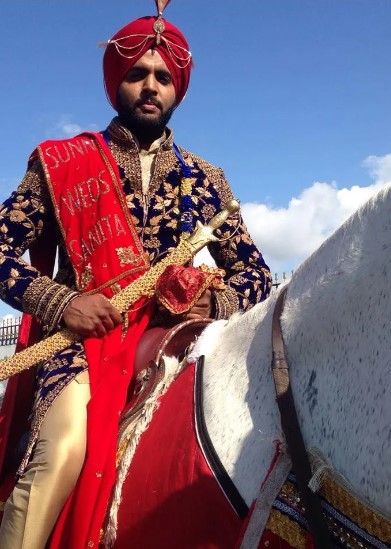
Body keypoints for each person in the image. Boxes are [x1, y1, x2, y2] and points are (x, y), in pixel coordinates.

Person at [0, 4, 272, 548]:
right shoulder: (62, 162)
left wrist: (210, 307)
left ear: (178, 89)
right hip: (80, 344)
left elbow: (256, 275)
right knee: (65, 451)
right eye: (137, 74)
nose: (151, 86)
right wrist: (62, 303)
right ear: (115, 84)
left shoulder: (208, 180)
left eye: (164, 77)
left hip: (174, 345)